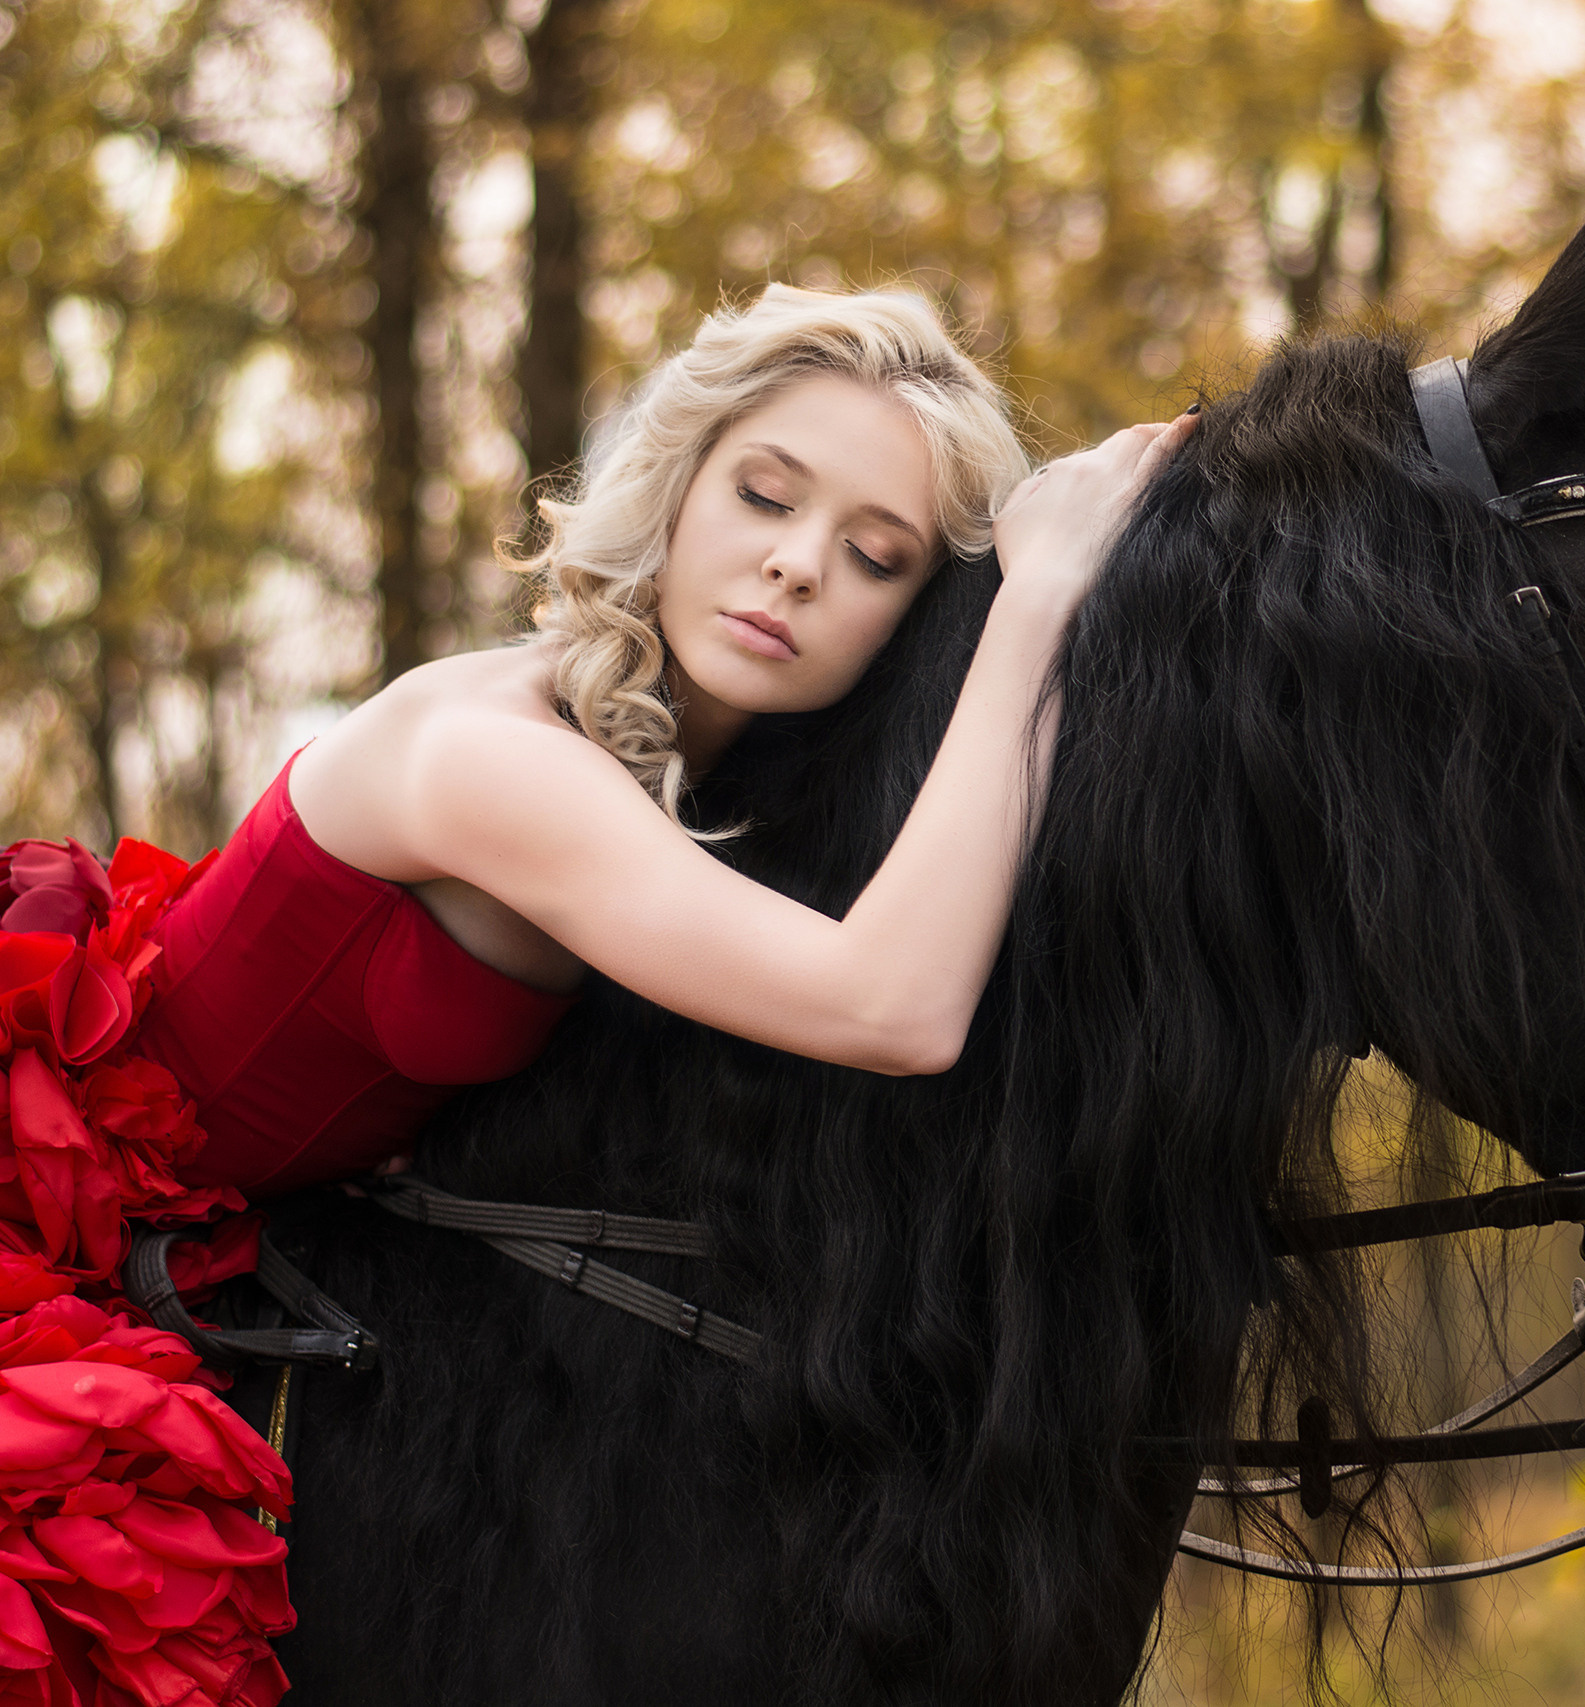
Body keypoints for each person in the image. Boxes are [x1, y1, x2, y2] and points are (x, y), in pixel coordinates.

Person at [0, 283, 1198, 1707]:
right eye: (764, 496)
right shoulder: (494, 759)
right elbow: (895, 1007)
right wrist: (1042, 605)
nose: (797, 567)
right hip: (58, 1233)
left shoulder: (683, 778)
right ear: (678, 483)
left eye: (874, 557)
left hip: (236, 1250)